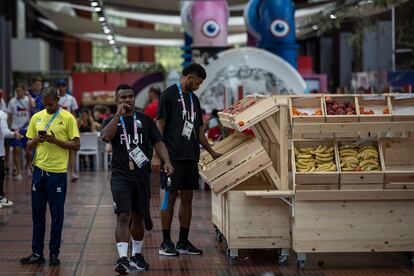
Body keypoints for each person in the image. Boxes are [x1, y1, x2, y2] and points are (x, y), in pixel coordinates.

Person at [101, 84, 174, 274]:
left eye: (130, 97)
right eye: (123, 97)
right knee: (123, 215)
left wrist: (166, 161)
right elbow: (105, 137)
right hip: (120, 176)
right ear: (117, 101)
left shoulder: (145, 120)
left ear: (135, 99)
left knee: (139, 215)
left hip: (141, 176)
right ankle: (122, 258)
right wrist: (117, 116)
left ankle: (137, 255)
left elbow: (158, 142)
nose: (127, 100)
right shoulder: (111, 120)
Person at [156, 63, 221, 256]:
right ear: (189, 77)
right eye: (198, 82)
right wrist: (156, 155)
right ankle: (165, 242)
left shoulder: (194, 100)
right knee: (170, 196)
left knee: (188, 198)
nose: (198, 86)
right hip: (171, 157)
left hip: (190, 156)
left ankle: (183, 242)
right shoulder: (167, 95)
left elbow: (198, 131)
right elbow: (159, 124)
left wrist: (211, 150)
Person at [20, 87, 80, 266]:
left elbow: (76, 145)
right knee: (37, 214)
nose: (48, 108)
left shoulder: (68, 118)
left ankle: (54, 253)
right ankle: (37, 253)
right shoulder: (36, 117)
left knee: (57, 215)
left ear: (58, 100)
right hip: (39, 172)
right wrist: (35, 141)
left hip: (58, 173)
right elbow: (28, 147)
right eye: (45, 105)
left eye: (51, 104)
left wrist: (56, 141)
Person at [7, 83, 35, 180]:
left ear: (23, 91)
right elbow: (9, 115)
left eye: (19, 90)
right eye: (17, 91)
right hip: (16, 130)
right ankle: (18, 172)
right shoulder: (12, 101)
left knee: (29, 152)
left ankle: (28, 166)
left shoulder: (28, 100)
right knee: (16, 150)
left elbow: (33, 106)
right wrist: (11, 127)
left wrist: (29, 95)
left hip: (27, 129)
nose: (18, 93)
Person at [143, 85, 161, 231]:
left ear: (152, 93)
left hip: (150, 145)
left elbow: (145, 128)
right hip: (163, 144)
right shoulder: (162, 105)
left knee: (146, 177)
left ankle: (145, 210)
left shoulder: (150, 108)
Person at [57, 79, 79, 181]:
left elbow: (74, 114)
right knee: (58, 148)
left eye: (63, 86)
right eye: (59, 86)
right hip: (57, 126)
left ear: (66, 87)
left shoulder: (71, 99)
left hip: (68, 126)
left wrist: (75, 127)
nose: (61, 88)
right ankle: (60, 171)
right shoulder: (55, 99)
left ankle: (73, 172)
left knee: (71, 149)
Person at [0, 109, 21, 208]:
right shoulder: (2, 115)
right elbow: (5, 132)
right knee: (0, 173)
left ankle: (1, 197)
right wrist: (14, 134)